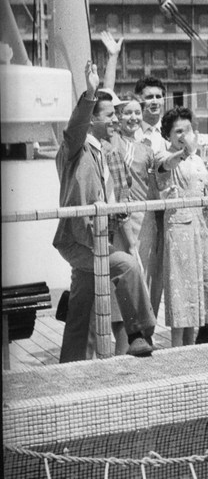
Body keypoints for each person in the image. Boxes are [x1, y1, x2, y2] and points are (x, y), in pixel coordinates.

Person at [54, 61, 156, 361]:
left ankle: (71, 366)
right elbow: (76, 124)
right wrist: (90, 92)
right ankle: (138, 333)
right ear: (92, 120)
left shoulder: (102, 150)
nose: (116, 119)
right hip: (78, 240)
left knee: (81, 310)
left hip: (95, 239)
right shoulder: (75, 148)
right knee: (127, 266)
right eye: (110, 115)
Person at [156, 107, 208, 347]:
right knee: (181, 288)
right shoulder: (164, 155)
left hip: (202, 227)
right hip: (179, 229)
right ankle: (176, 347)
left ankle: (190, 346)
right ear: (168, 135)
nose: (184, 135)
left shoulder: (197, 159)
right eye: (178, 131)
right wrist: (183, 151)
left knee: (197, 288)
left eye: (188, 130)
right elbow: (165, 166)